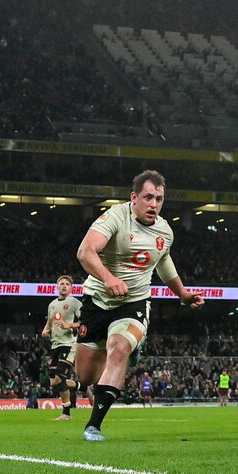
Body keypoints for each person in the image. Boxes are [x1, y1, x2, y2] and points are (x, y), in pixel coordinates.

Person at [75, 170, 205, 441]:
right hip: (97, 301)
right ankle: (128, 349)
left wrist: (182, 294)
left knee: (119, 349)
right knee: (84, 376)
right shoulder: (114, 217)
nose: (154, 204)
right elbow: (85, 251)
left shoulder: (164, 230)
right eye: (148, 197)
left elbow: (163, 261)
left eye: (159, 199)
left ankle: (94, 426)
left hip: (133, 303)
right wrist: (109, 279)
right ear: (134, 197)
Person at [41, 275, 82, 421]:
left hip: (69, 344)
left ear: (71, 288)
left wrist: (69, 325)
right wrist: (46, 330)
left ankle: (66, 413)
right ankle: (79, 385)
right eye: (61, 284)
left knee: (59, 378)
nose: (64, 286)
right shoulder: (52, 304)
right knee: (53, 382)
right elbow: (50, 322)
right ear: (57, 286)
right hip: (55, 345)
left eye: (67, 284)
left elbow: (85, 322)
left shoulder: (74, 303)